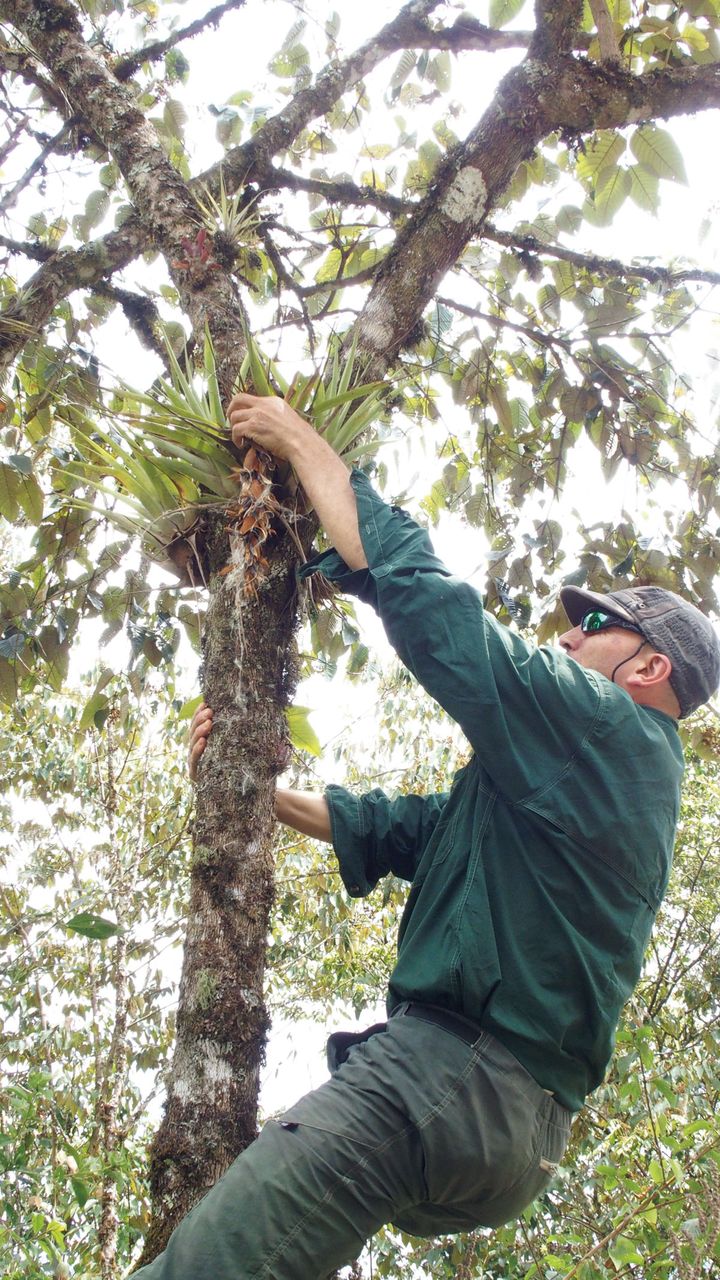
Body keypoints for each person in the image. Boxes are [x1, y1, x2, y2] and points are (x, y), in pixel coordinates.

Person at [136, 393, 720, 1280]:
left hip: (457, 1078)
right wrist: (251, 790)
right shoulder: (597, 781)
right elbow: (408, 830)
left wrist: (301, 440)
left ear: (650, 667)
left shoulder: (610, 728)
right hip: (509, 1136)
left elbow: (444, 620)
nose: (569, 634)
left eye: (597, 625)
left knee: (202, 1268)